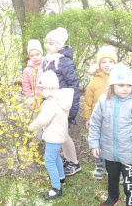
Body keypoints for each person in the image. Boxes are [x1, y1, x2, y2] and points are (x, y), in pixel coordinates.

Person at [88, 63, 132, 206]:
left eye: (129, 85)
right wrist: (94, 144)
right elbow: (95, 123)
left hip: (129, 152)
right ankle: (114, 197)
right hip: (109, 150)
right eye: (121, 85)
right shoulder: (103, 101)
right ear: (112, 85)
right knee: (112, 177)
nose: (125, 88)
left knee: (130, 181)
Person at [28, 70, 74, 200]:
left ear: (50, 88)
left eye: (42, 89)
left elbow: (43, 120)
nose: (41, 92)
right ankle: (61, 178)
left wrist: (31, 127)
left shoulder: (51, 103)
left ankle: (56, 189)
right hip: (59, 134)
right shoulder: (60, 100)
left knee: (49, 162)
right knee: (56, 158)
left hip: (54, 136)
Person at [43, 27, 81, 175]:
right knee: (61, 135)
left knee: (64, 135)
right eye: (46, 43)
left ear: (58, 45)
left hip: (63, 105)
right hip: (53, 104)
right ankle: (67, 159)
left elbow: (73, 86)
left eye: (51, 43)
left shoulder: (65, 62)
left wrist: (72, 110)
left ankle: (74, 163)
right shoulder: (48, 60)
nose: (47, 46)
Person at [83, 46, 117, 180]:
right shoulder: (94, 80)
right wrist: (87, 118)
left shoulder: (118, 78)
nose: (107, 65)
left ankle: (114, 168)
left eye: (110, 61)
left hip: (114, 118)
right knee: (99, 141)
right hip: (97, 119)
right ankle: (99, 165)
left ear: (115, 63)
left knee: (113, 142)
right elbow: (88, 101)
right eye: (104, 62)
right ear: (99, 64)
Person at [22, 39, 44, 143]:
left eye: (37, 54)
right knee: (37, 119)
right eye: (32, 55)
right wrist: (30, 98)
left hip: (48, 98)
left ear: (41, 53)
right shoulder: (27, 70)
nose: (35, 57)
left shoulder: (47, 65)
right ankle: (38, 137)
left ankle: (49, 136)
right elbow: (26, 87)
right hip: (36, 100)